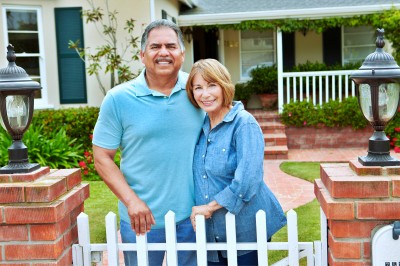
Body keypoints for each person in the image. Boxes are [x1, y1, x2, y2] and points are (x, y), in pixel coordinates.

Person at [92, 19, 204, 266]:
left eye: (171, 46)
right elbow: (101, 157)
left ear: (182, 54)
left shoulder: (198, 92)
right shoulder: (118, 99)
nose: (164, 52)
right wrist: (132, 201)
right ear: (142, 55)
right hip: (140, 220)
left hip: (193, 218)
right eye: (155, 47)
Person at [186, 59, 287, 266]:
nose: (205, 94)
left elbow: (248, 180)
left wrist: (209, 207)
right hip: (213, 232)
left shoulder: (244, 123)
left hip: (245, 229)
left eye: (211, 85)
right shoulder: (201, 126)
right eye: (198, 88)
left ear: (224, 86)